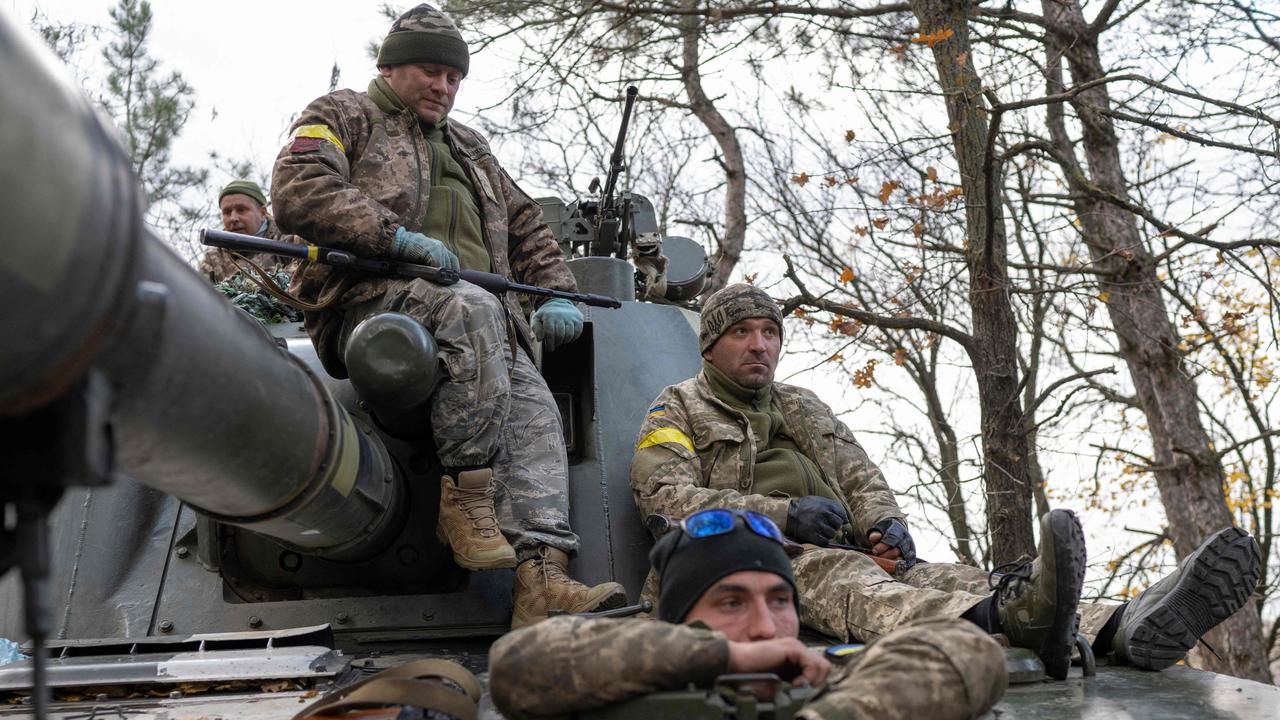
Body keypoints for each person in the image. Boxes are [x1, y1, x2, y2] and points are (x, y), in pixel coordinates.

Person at [630, 282, 1262, 678]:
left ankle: (1121, 622)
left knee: (947, 573)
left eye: (770, 332)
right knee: (852, 583)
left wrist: (886, 525)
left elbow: (861, 473)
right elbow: (664, 500)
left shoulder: (802, 404)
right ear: (710, 346)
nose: (760, 345)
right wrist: (784, 516)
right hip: (753, 559)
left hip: (848, 548)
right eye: (742, 332)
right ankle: (1009, 620)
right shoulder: (677, 406)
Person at [269, 3, 624, 627]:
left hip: (476, 319)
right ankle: (466, 496)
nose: (444, 86)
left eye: (453, 77)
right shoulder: (343, 114)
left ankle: (542, 580)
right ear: (390, 66)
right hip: (371, 301)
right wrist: (393, 239)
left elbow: (527, 227)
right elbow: (300, 185)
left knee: (536, 413)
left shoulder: (470, 147)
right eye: (430, 71)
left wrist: (554, 292)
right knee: (473, 306)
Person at [489, 507, 1008, 720]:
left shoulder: (826, 680)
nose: (766, 627)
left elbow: (969, 651)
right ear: (677, 621)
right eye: (731, 603)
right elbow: (517, 666)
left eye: (780, 602)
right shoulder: (627, 681)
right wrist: (727, 657)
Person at [198, 180, 297, 283]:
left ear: (262, 213)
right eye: (227, 212)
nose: (233, 218)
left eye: (241, 210)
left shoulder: (288, 238)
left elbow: (301, 273)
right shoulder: (214, 257)